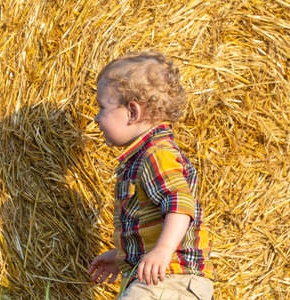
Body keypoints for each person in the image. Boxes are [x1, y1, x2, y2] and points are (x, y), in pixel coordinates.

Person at [89, 51, 214, 299]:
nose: (96, 117)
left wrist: (163, 250)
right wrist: (123, 257)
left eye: (102, 107)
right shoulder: (145, 157)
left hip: (171, 281)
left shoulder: (157, 155)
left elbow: (179, 205)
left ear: (133, 112)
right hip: (172, 282)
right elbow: (151, 222)